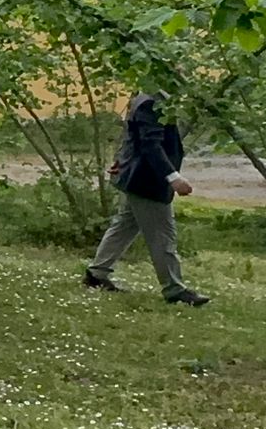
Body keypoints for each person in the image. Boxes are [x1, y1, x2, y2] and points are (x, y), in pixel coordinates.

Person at [84, 91, 210, 306]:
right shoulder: (151, 103)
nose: (181, 71)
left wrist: (120, 161)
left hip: (138, 177)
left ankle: (97, 274)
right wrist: (173, 177)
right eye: (175, 66)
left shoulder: (148, 98)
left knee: (124, 226)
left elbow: (131, 137)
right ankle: (174, 289)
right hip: (147, 180)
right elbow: (150, 145)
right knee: (163, 235)